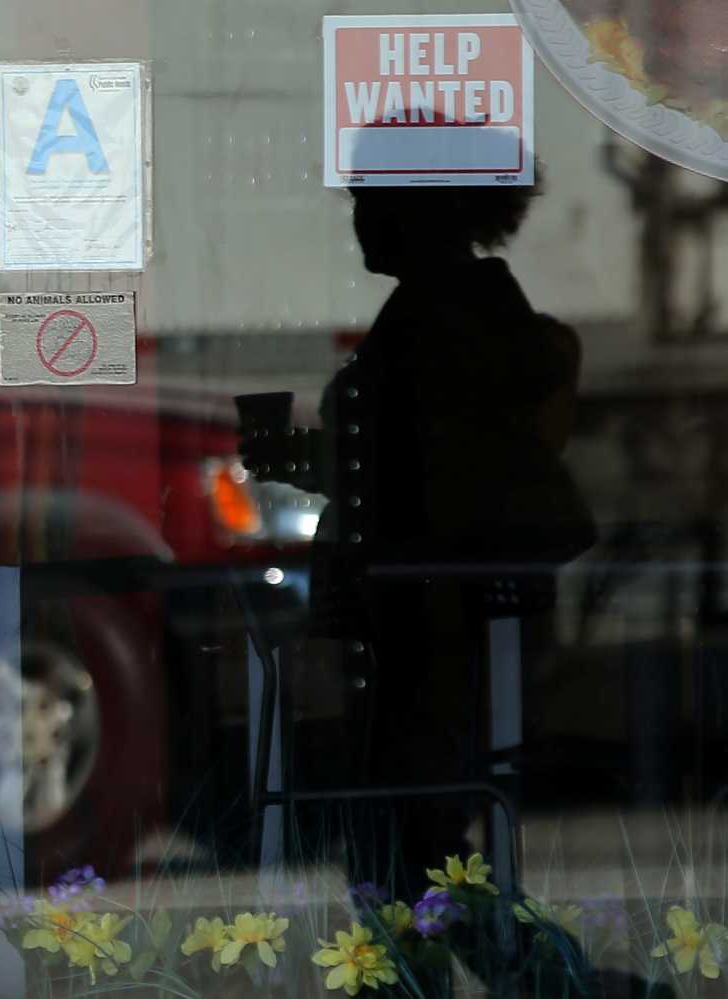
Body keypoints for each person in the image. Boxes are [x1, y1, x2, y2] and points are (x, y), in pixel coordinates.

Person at [243, 178, 614, 994]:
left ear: (425, 213)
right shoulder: (445, 312)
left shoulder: (447, 318)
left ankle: (556, 984)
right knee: (407, 835)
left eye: (371, 202)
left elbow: (432, 476)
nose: (357, 220)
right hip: (421, 614)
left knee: (409, 834)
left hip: (431, 619)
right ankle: (546, 983)